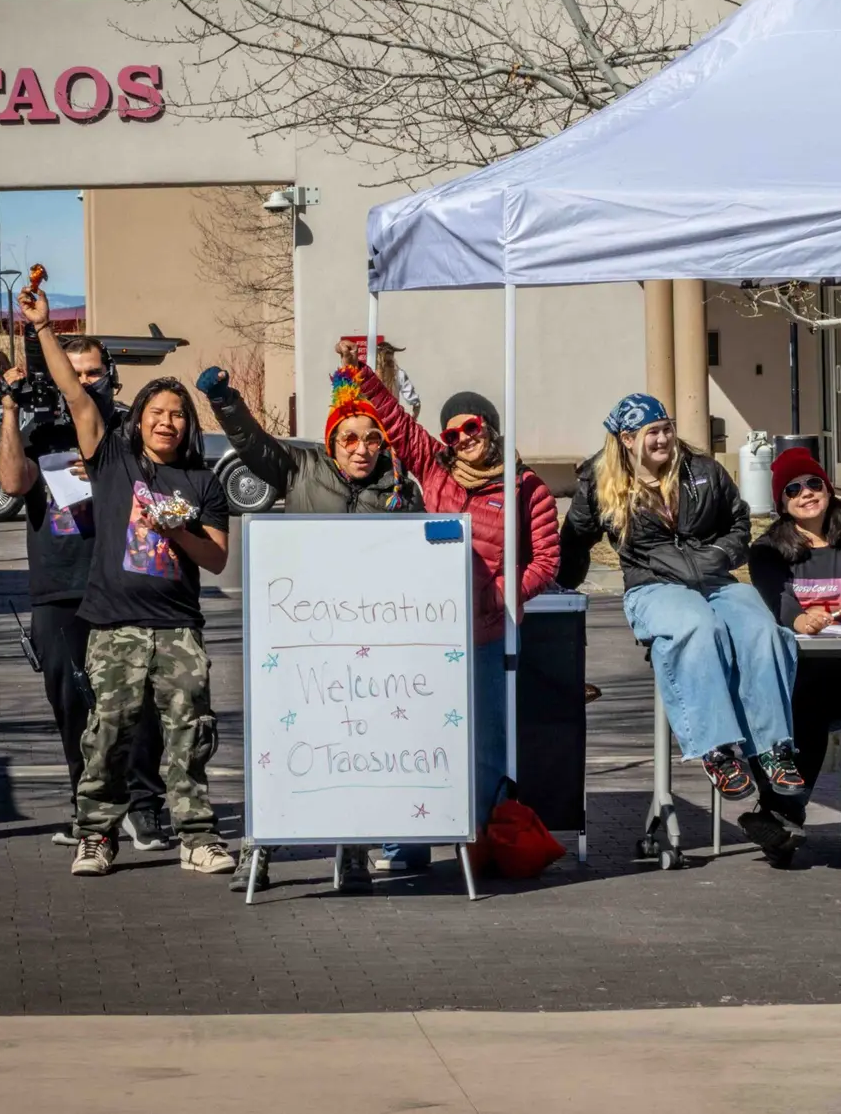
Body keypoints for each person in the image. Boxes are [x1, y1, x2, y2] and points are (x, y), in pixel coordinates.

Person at [17, 288, 236, 879]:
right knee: (107, 732)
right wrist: (42, 331)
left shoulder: (201, 480)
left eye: (178, 415)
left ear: (189, 425)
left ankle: (196, 835)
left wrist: (179, 526)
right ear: (137, 419)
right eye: (157, 413)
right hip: (114, 623)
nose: (167, 422)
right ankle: (96, 836)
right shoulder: (112, 456)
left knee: (189, 732)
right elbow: (74, 393)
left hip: (178, 628)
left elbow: (214, 559)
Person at [198, 361, 422, 892]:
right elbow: (253, 445)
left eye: (372, 439)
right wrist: (226, 400)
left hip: (367, 643)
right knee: (283, 743)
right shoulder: (300, 468)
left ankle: (352, 849)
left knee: (356, 746)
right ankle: (260, 850)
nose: (362, 448)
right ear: (333, 441)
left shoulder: (399, 493)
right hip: (299, 638)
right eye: (350, 438)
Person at [349, 357, 559, 871]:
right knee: (417, 733)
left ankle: (484, 844)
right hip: (430, 630)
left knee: (485, 743)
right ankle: (407, 848)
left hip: (487, 632)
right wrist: (363, 375)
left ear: (489, 429)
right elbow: (397, 423)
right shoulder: (434, 468)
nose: (464, 438)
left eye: (472, 427)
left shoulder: (525, 486)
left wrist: (502, 592)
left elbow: (547, 559)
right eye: (454, 432)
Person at [559, 394, 803, 800]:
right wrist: (559, 589)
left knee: (762, 629)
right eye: (651, 432)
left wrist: (721, 554)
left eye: (666, 428)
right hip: (653, 586)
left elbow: (739, 521)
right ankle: (718, 750)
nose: (663, 439)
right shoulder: (599, 483)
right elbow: (575, 540)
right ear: (627, 439)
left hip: (715, 578)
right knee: (697, 628)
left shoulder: (703, 470)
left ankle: (774, 748)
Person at [0, 342, 169, 852]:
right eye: (75, 373)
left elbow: (161, 488)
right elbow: (10, 480)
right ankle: (89, 808)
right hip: (58, 584)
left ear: (109, 375)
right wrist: (9, 407)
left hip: (124, 582)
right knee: (72, 703)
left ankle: (143, 807)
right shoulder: (41, 431)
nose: (86, 380)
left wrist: (101, 476)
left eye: (94, 372)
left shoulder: (128, 429)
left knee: (138, 702)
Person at [745, 447, 841, 866]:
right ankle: (782, 820)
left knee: (810, 696)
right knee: (769, 697)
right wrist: (798, 619)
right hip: (792, 666)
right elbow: (777, 601)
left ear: (827, 488)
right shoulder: (767, 550)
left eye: (813, 483)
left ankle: (780, 813)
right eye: (793, 489)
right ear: (781, 503)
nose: (806, 493)